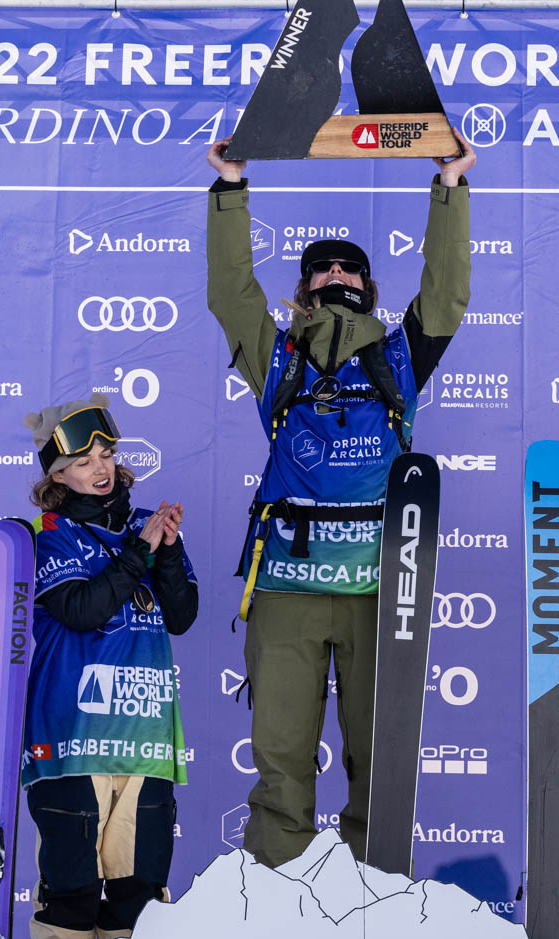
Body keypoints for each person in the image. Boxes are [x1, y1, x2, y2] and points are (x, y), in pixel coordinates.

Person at [204, 132, 476, 868]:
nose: (335, 272)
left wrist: (449, 186)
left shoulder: (398, 360)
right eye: (320, 265)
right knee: (281, 761)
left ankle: (376, 901)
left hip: (378, 591)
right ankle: (270, 903)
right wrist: (231, 186)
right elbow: (232, 295)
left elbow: (446, 295)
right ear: (304, 285)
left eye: (350, 266)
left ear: (368, 288)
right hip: (289, 585)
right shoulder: (279, 359)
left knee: (379, 761)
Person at [18, 397, 198, 939]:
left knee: (138, 898)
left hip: (145, 741)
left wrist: (163, 552)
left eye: (107, 454)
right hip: (72, 742)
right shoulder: (49, 536)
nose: (100, 467)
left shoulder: (141, 528)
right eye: (83, 461)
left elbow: (183, 615)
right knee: (71, 893)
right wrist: (141, 550)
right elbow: (80, 609)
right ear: (56, 476)